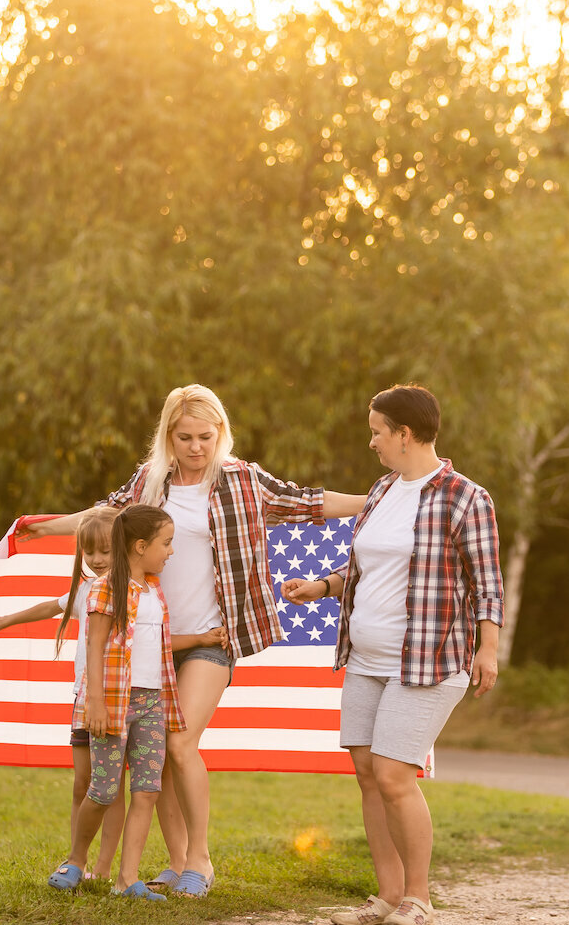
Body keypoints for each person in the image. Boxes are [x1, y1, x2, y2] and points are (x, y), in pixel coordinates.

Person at [22, 384, 367, 898]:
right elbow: (99, 517)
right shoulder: (149, 484)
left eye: (206, 436)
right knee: (155, 751)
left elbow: (313, 503)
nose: (196, 447)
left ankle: (200, 861)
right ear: (168, 436)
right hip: (154, 645)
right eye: (184, 437)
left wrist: (379, 499)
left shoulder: (244, 480)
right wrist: (43, 528)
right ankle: (179, 862)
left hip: (212, 636)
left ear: (221, 433)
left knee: (179, 742)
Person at [285, 384, 503, 925]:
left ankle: (418, 899)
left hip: (427, 662)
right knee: (366, 774)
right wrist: (323, 585)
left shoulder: (464, 497)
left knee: (394, 774)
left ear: (405, 435)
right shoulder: (382, 490)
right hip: (365, 658)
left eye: (378, 431)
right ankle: (385, 896)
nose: (372, 441)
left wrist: (490, 649)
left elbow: (489, 585)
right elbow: (367, 570)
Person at [0, 507, 128, 881]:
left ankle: (104, 868)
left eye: (105, 550)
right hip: (84, 698)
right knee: (82, 782)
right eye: (90, 552)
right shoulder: (86, 589)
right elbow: (50, 607)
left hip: (119, 699)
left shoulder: (135, 591)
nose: (98, 559)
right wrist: (3, 620)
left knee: (113, 785)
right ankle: (77, 861)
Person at [48, 505, 183, 899]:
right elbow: (94, 643)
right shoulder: (107, 587)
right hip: (112, 700)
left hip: (151, 702)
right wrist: (94, 701)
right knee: (104, 790)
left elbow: (158, 644)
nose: (170, 551)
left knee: (147, 790)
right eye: (166, 543)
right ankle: (75, 859)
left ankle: (127, 879)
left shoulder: (154, 587)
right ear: (140, 546)